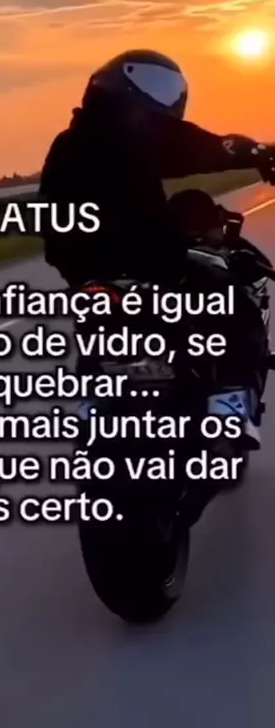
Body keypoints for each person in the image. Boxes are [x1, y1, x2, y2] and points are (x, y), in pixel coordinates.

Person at [38, 50, 275, 440]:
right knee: (236, 300)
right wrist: (261, 153)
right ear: (123, 85)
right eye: (157, 85)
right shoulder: (136, 135)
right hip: (150, 264)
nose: (166, 97)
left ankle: (91, 405)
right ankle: (230, 406)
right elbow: (211, 148)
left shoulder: (70, 142)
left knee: (96, 329)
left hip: (86, 273)